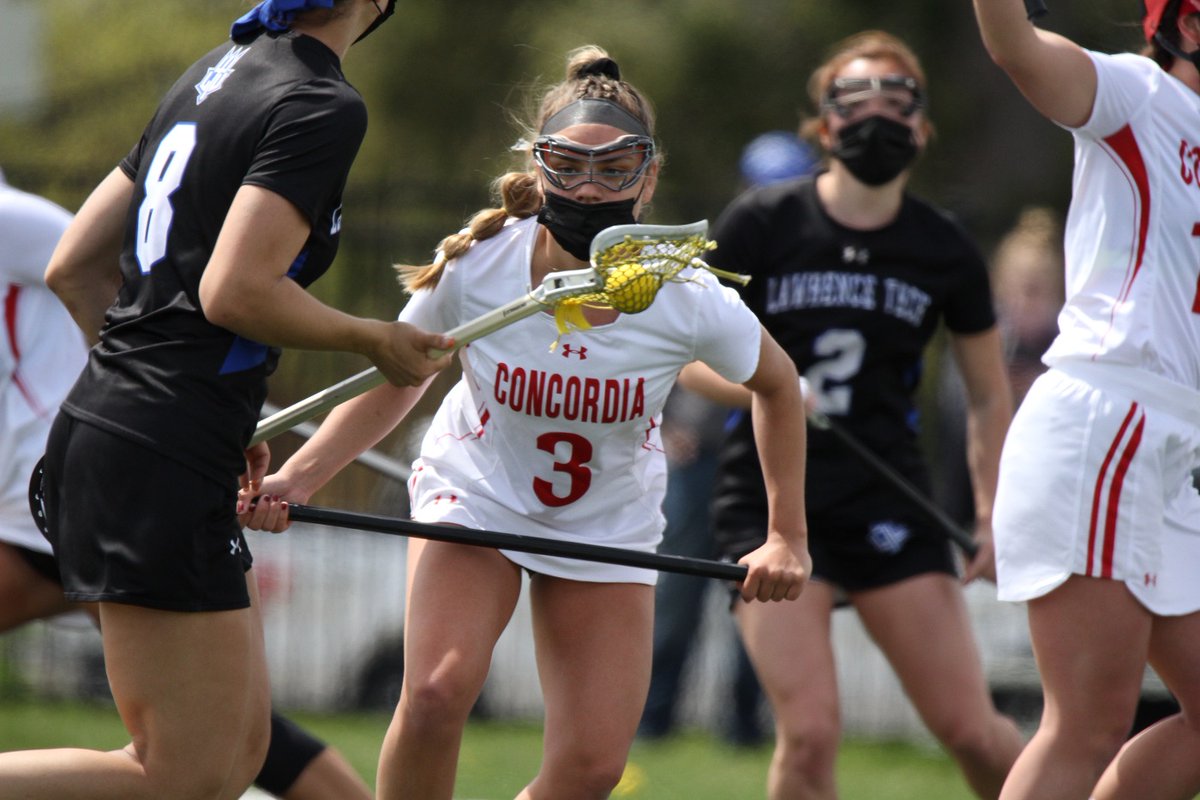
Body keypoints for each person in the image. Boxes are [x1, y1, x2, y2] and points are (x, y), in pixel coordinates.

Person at [241, 45, 811, 800]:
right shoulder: (481, 266)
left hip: (606, 522)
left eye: (616, 168)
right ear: (536, 166)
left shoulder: (690, 294)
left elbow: (779, 387)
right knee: (439, 692)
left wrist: (785, 537)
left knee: (591, 770)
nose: (589, 185)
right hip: (478, 491)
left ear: (651, 174)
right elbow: (401, 379)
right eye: (568, 163)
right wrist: (298, 475)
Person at [0, 3, 453, 798]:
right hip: (155, 448)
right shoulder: (321, 101)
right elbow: (235, 289)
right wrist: (371, 338)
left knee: (237, 759)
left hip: (152, 434)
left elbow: (76, 266)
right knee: (179, 775)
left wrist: (185, 401)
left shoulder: (214, 71)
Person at [682, 30, 1026, 800]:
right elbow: (685, 358)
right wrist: (768, 391)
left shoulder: (944, 247)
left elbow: (985, 394)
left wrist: (993, 510)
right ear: (823, 125)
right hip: (773, 503)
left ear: (923, 127)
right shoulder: (762, 221)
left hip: (887, 498)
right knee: (808, 735)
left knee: (972, 729)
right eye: (856, 99)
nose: (878, 116)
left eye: (897, 100)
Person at [0, 167, 374, 800]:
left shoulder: (12, 221)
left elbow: (98, 279)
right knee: (218, 734)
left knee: (203, 750)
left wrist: (175, 400)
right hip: (86, 487)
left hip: (65, 499)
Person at [972, 0, 1200, 798]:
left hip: (1176, 445)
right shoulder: (1141, 95)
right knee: (1088, 722)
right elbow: (1015, 46)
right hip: (1112, 422)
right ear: (1191, 28)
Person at [639, 131, 819, 747]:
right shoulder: (721, 261)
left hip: (767, 461)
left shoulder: (814, 266)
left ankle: (746, 724)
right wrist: (679, 422)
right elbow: (673, 358)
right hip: (702, 447)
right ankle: (655, 716)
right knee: (677, 591)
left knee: (762, 592)